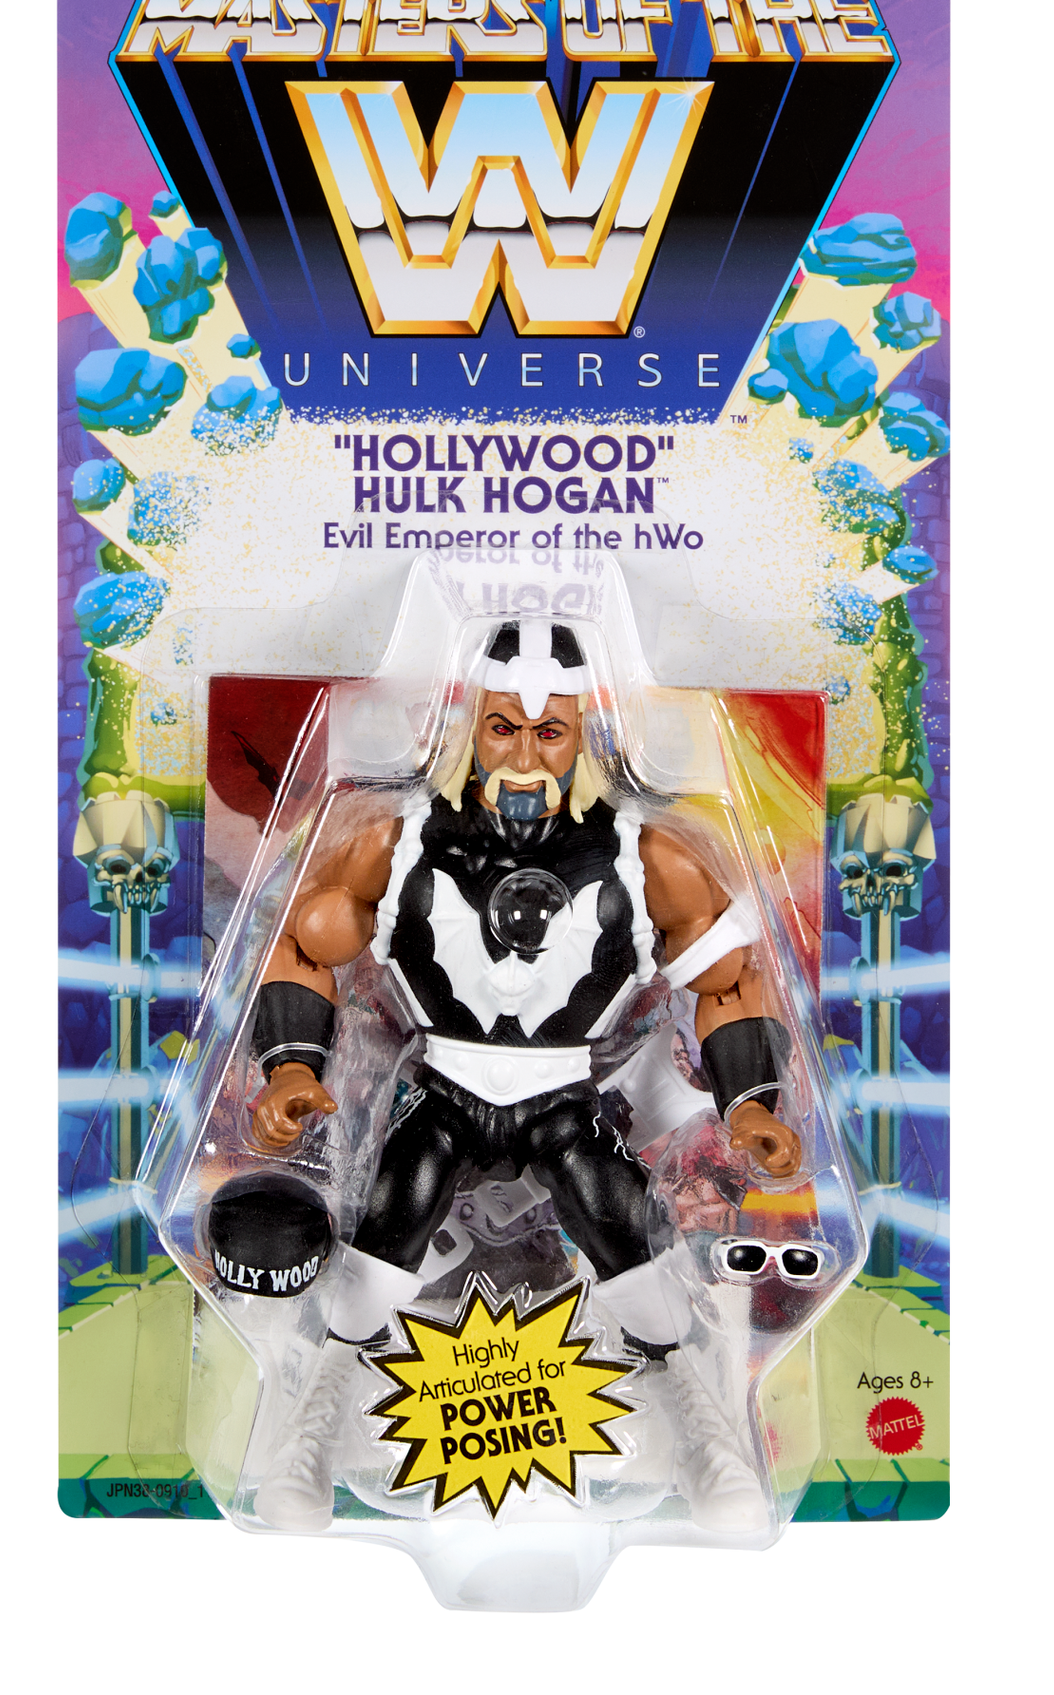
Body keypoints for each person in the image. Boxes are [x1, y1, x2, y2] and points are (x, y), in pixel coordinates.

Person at [244, 619, 801, 1531]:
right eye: (504, 728)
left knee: (623, 1223)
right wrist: (291, 1068)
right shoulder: (400, 843)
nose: (526, 755)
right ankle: (317, 1409)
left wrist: (751, 1106)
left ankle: (701, 1424)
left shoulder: (643, 857)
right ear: (471, 725)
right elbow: (303, 944)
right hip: (443, 1083)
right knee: (388, 1219)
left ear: (585, 732)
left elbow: (732, 981)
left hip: (564, 1092)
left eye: (549, 731)